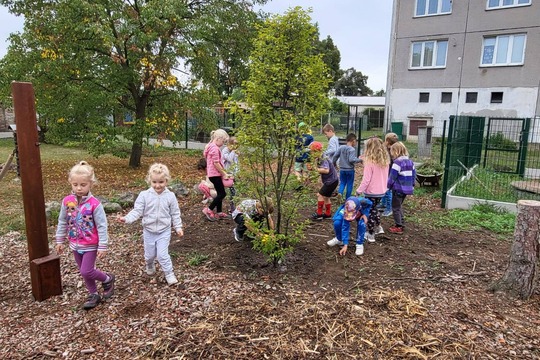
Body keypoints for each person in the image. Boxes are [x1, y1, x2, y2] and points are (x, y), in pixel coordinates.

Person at [55, 161, 115, 310]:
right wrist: (60, 240)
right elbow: (63, 220)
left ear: (90, 184)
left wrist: (103, 245)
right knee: (84, 272)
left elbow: (102, 225)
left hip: (90, 244)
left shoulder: (95, 204)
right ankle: (93, 293)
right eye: (75, 184)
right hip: (75, 244)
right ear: (70, 183)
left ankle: (107, 279)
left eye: (83, 185)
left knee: (86, 270)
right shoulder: (67, 202)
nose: (79, 188)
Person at [118, 163, 184, 286]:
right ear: (149, 180)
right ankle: (149, 264)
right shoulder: (144, 195)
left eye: (161, 182)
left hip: (164, 231)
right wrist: (126, 219)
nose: (157, 185)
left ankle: (169, 274)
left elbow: (175, 213)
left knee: (162, 255)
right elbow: (137, 211)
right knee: (149, 255)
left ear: (166, 181)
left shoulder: (170, 196)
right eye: (154, 182)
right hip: (148, 230)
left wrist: (178, 227)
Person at [356, 137, 390, 243]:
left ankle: (370, 234)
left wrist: (358, 190)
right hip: (381, 191)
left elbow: (366, 180)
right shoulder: (385, 161)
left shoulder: (369, 162)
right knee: (374, 209)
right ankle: (379, 227)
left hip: (372, 192)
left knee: (370, 212)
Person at [202, 129, 231, 221]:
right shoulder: (214, 148)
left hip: (213, 174)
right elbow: (216, 163)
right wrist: (224, 173)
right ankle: (208, 209)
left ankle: (219, 212)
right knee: (222, 193)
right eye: (223, 141)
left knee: (219, 193)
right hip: (215, 174)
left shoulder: (211, 146)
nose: (223, 143)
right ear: (218, 138)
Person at [387, 142, 416, 234]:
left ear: (395, 151)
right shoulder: (411, 162)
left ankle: (398, 226)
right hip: (407, 189)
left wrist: (388, 186)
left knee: (395, 207)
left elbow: (392, 177)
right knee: (399, 206)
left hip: (398, 189)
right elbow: (414, 175)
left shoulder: (397, 163)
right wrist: (412, 185)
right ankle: (402, 223)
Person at [310, 141, 339, 220]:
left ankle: (319, 214)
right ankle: (328, 213)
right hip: (333, 180)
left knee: (320, 195)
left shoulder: (323, 158)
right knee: (326, 197)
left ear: (317, 152)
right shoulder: (320, 158)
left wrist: (315, 169)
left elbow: (326, 170)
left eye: (312, 152)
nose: (311, 154)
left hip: (331, 181)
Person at [332, 133, 362, 200]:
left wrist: (334, 163)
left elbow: (335, 156)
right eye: (356, 141)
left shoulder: (341, 147)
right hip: (350, 170)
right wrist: (360, 160)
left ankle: (340, 192)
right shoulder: (352, 149)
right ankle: (347, 198)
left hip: (342, 169)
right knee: (349, 184)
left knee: (342, 182)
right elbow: (351, 160)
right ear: (353, 141)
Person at [380, 132, 399, 217]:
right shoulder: (389, 149)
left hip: (389, 173)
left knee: (388, 191)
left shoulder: (392, 150)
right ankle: (383, 203)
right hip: (387, 172)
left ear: (387, 141)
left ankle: (389, 208)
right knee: (384, 189)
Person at [222, 136, 239, 213]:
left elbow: (236, 162)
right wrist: (233, 151)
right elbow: (229, 159)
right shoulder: (225, 150)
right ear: (230, 143)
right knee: (223, 191)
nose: (235, 146)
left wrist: (238, 172)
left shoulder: (234, 151)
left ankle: (232, 208)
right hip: (227, 173)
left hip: (233, 173)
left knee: (234, 192)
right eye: (234, 144)